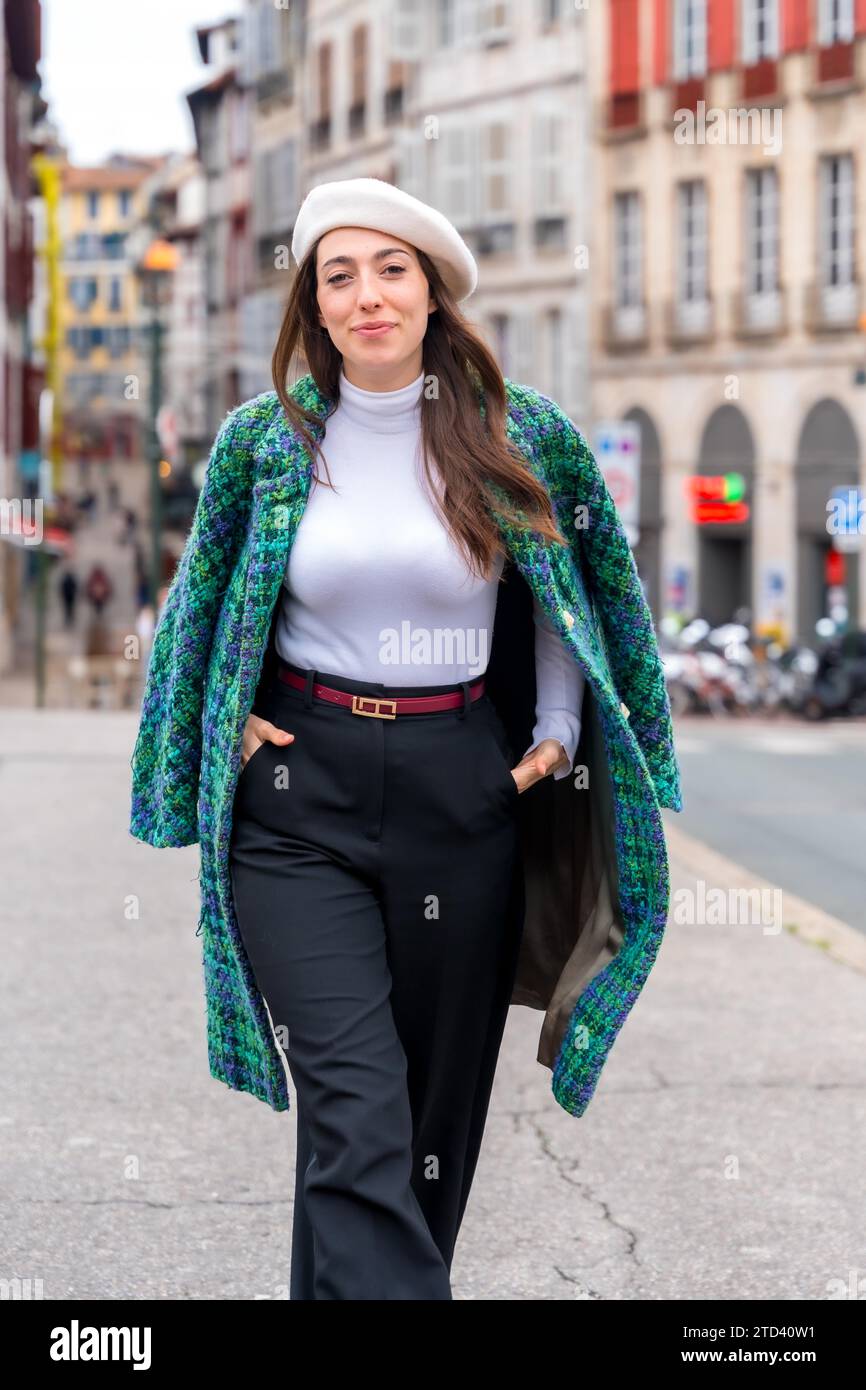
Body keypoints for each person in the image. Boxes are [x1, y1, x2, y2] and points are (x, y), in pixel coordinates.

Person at [130, 177, 681, 1301]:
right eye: (340, 275)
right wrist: (223, 712)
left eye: (392, 270)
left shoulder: (516, 435)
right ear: (315, 306)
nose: (367, 295)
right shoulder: (263, 442)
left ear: (432, 294)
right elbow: (199, 606)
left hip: (458, 791)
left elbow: (567, 592)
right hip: (298, 800)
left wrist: (560, 722)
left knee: (428, 1131)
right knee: (356, 1105)